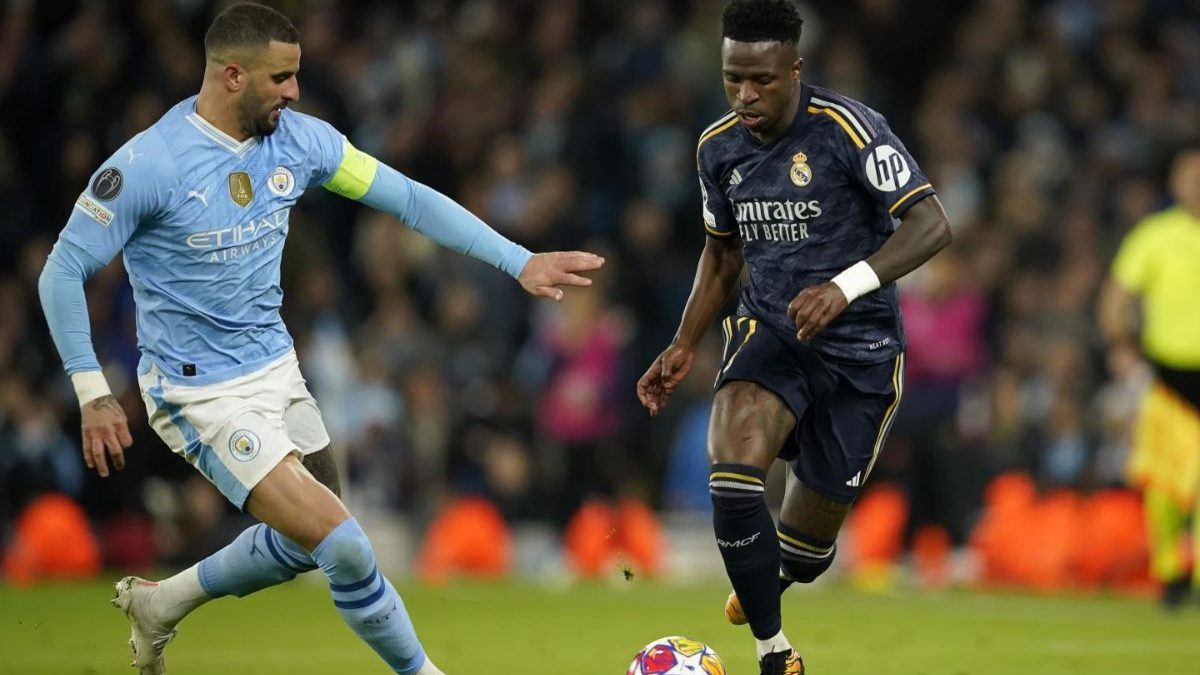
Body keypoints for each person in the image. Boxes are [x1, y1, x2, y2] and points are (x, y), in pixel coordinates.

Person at [37, 4, 603, 674]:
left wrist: (520, 261)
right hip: (199, 392)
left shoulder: (301, 142)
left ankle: (162, 604)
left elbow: (409, 198)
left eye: (296, 75)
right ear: (232, 75)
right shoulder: (151, 164)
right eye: (281, 78)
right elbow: (62, 269)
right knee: (346, 544)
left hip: (277, 368)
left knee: (310, 542)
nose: (295, 91)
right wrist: (93, 390)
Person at [635, 1, 951, 672]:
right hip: (772, 330)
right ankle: (774, 651)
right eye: (732, 79)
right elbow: (722, 256)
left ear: (795, 69)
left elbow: (931, 225)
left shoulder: (850, 130)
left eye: (762, 80)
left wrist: (845, 286)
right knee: (734, 453)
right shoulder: (717, 148)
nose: (745, 95)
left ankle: (767, 579)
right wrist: (685, 339)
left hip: (860, 354)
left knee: (807, 551)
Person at [1098, 145, 1200, 610]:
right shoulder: (1155, 235)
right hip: (1169, 377)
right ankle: (1169, 570)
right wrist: (1122, 348)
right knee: (1163, 484)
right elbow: (1117, 296)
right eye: (1188, 173)